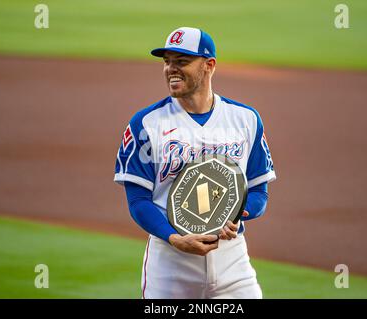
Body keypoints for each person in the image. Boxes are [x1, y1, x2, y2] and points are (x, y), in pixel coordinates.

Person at [114, 27, 276, 299]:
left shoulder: (245, 119)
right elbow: (138, 201)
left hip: (231, 261)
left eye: (182, 61)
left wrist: (236, 214)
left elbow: (259, 192)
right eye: (167, 62)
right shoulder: (146, 124)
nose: (171, 69)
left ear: (209, 65)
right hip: (170, 263)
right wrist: (175, 238)